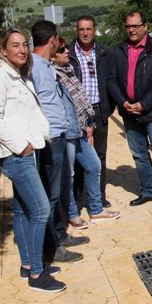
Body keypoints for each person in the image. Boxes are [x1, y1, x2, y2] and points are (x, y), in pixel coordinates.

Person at [0, 29, 66, 292]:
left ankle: (28, 264)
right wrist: (22, 147)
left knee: (22, 210)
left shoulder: (18, 75)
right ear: (3, 50)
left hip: (27, 150)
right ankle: (37, 276)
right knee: (41, 210)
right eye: (14, 45)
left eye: (24, 45)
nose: (21, 50)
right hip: (17, 154)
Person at [107, 11, 152, 207]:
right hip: (129, 112)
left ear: (145, 26)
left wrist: (144, 104)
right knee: (139, 154)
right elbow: (112, 80)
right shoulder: (120, 50)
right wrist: (123, 102)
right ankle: (148, 191)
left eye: (135, 26)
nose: (131, 30)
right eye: (128, 26)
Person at [30, 20, 88, 262]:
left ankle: (60, 234)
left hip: (60, 136)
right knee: (51, 195)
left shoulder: (44, 66)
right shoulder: (34, 68)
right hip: (51, 138)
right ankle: (51, 248)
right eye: (58, 39)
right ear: (52, 39)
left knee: (62, 187)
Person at [53, 37, 120, 225]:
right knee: (70, 174)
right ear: (52, 56)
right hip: (67, 132)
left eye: (66, 48)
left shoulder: (69, 71)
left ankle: (96, 209)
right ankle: (73, 215)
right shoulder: (53, 76)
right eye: (61, 50)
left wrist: (88, 123)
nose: (67, 52)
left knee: (94, 165)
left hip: (81, 128)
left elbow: (80, 102)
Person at [68, 16, 114, 209]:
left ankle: (99, 197)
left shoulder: (104, 53)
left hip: (98, 111)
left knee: (100, 157)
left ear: (95, 30)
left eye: (88, 29)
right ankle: (78, 200)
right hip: (77, 114)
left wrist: (108, 109)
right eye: (81, 29)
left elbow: (111, 81)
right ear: (76, 31)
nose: (85, 33)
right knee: (78, 158)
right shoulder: (68, 54)